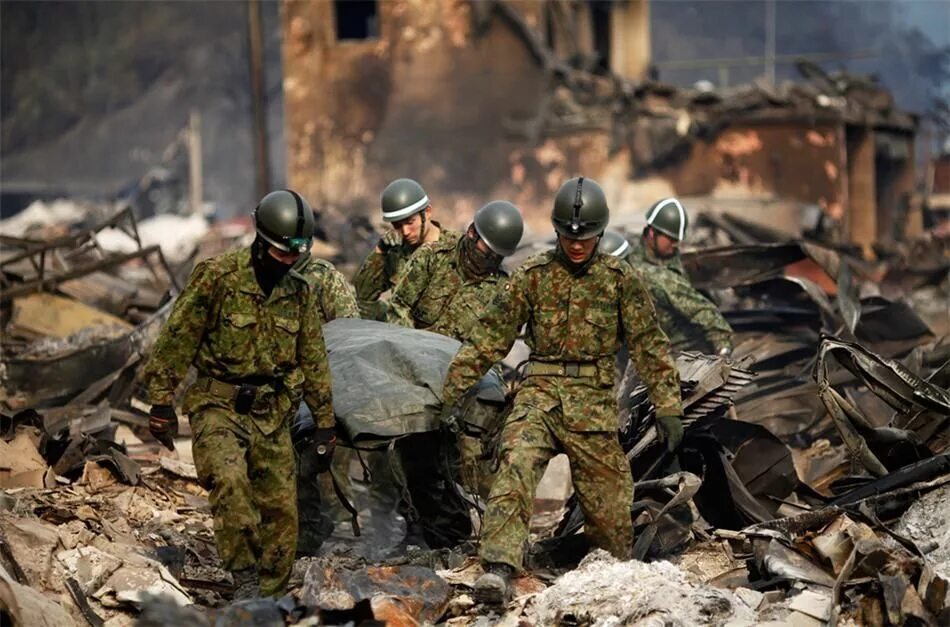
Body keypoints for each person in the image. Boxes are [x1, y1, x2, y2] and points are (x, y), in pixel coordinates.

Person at [438, 177, 684, 605]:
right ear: (556, 231)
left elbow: (650, 344)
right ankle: (499, 567)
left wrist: (669, 406)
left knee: (609, 500)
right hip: (540, 393)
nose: (575, 245)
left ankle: (612, 574)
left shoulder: (619, 280)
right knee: (514, 462)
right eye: (568, 236)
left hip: (593, 400)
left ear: (600, 234)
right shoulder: (532, 276)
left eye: (585, 237)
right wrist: (450, 393)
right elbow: (488, 339)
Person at [137, 190, 336, 599]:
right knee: (230, 484)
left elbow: (313, 359)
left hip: (271, 411)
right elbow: (178, 339)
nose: (288, 261)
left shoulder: (299, 292)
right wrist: (161, 402)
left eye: (295, 254)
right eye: (281, 252)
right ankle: (244, 580)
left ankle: (268, 598)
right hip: (217, 405)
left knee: (281, 512)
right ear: (261, 240)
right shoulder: (218, 277)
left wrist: (325, 424)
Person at [386, 201, 525, 545]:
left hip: (465, 378)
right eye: (485, 249)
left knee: (469, 451)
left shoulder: (500, 289)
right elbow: (399, 306)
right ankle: (418, 526)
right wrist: (411, 349)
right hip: (414, 368)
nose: (488, 259)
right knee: (411, 453)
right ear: (471, 233)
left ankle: (476, 529)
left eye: (497, 255)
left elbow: (490, 348)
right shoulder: (433, 257)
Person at [293, 254, 359, 553]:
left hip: (320, 380)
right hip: (278, 384)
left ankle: (332, 527)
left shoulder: (323, 277)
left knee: (321, 458)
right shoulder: (259, 275)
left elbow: (350, 332)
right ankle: (303, 530)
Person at [620, 198, 734, 356]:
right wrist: (723, 343)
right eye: (671, 239)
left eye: (678, 240)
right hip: (671, 352)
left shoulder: (664, 256)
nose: (675, 245)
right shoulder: (653, 276)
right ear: (652, 233)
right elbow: (700, 309)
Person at [353, 178, 459, 320]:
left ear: (427, 212)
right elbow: (364, 295)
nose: (405, 231)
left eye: (410, 222)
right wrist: (380, 251)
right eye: (397, 225)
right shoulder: (396, 251)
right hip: (403, 331)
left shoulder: (458, 248)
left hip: (443, 334)